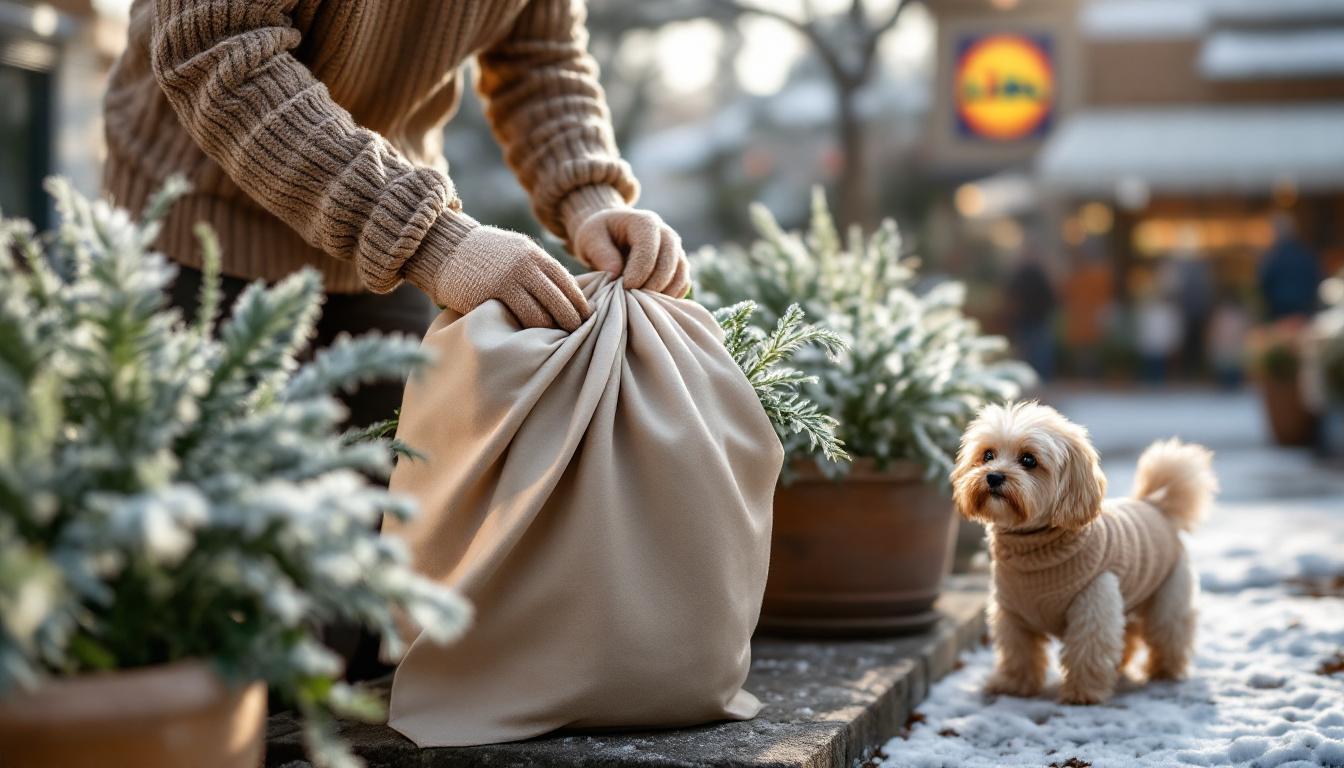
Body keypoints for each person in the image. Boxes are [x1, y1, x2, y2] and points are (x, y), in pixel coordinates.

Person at [102, 0, 686, 428]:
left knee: (392, 534)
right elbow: (215, 50)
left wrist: (589, 198)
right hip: (196, 233)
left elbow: (540, 58)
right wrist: (429, 237)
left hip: (379, 247)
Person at [1005, 248, 1057, 381]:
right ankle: (1038, 381)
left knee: (1034, 354)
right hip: (1032, 320)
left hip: (1033, 320)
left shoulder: (1027, 275)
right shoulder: (1030, 275)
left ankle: (1037, 382)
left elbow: (1012, 297)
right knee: (1036, 354)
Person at [1258, 213, 1322, 321]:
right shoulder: (1305, 252)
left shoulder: (1273, 256)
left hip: (1281, 309)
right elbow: (1317, 276)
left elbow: (1264, 281)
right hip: (1304, 307)